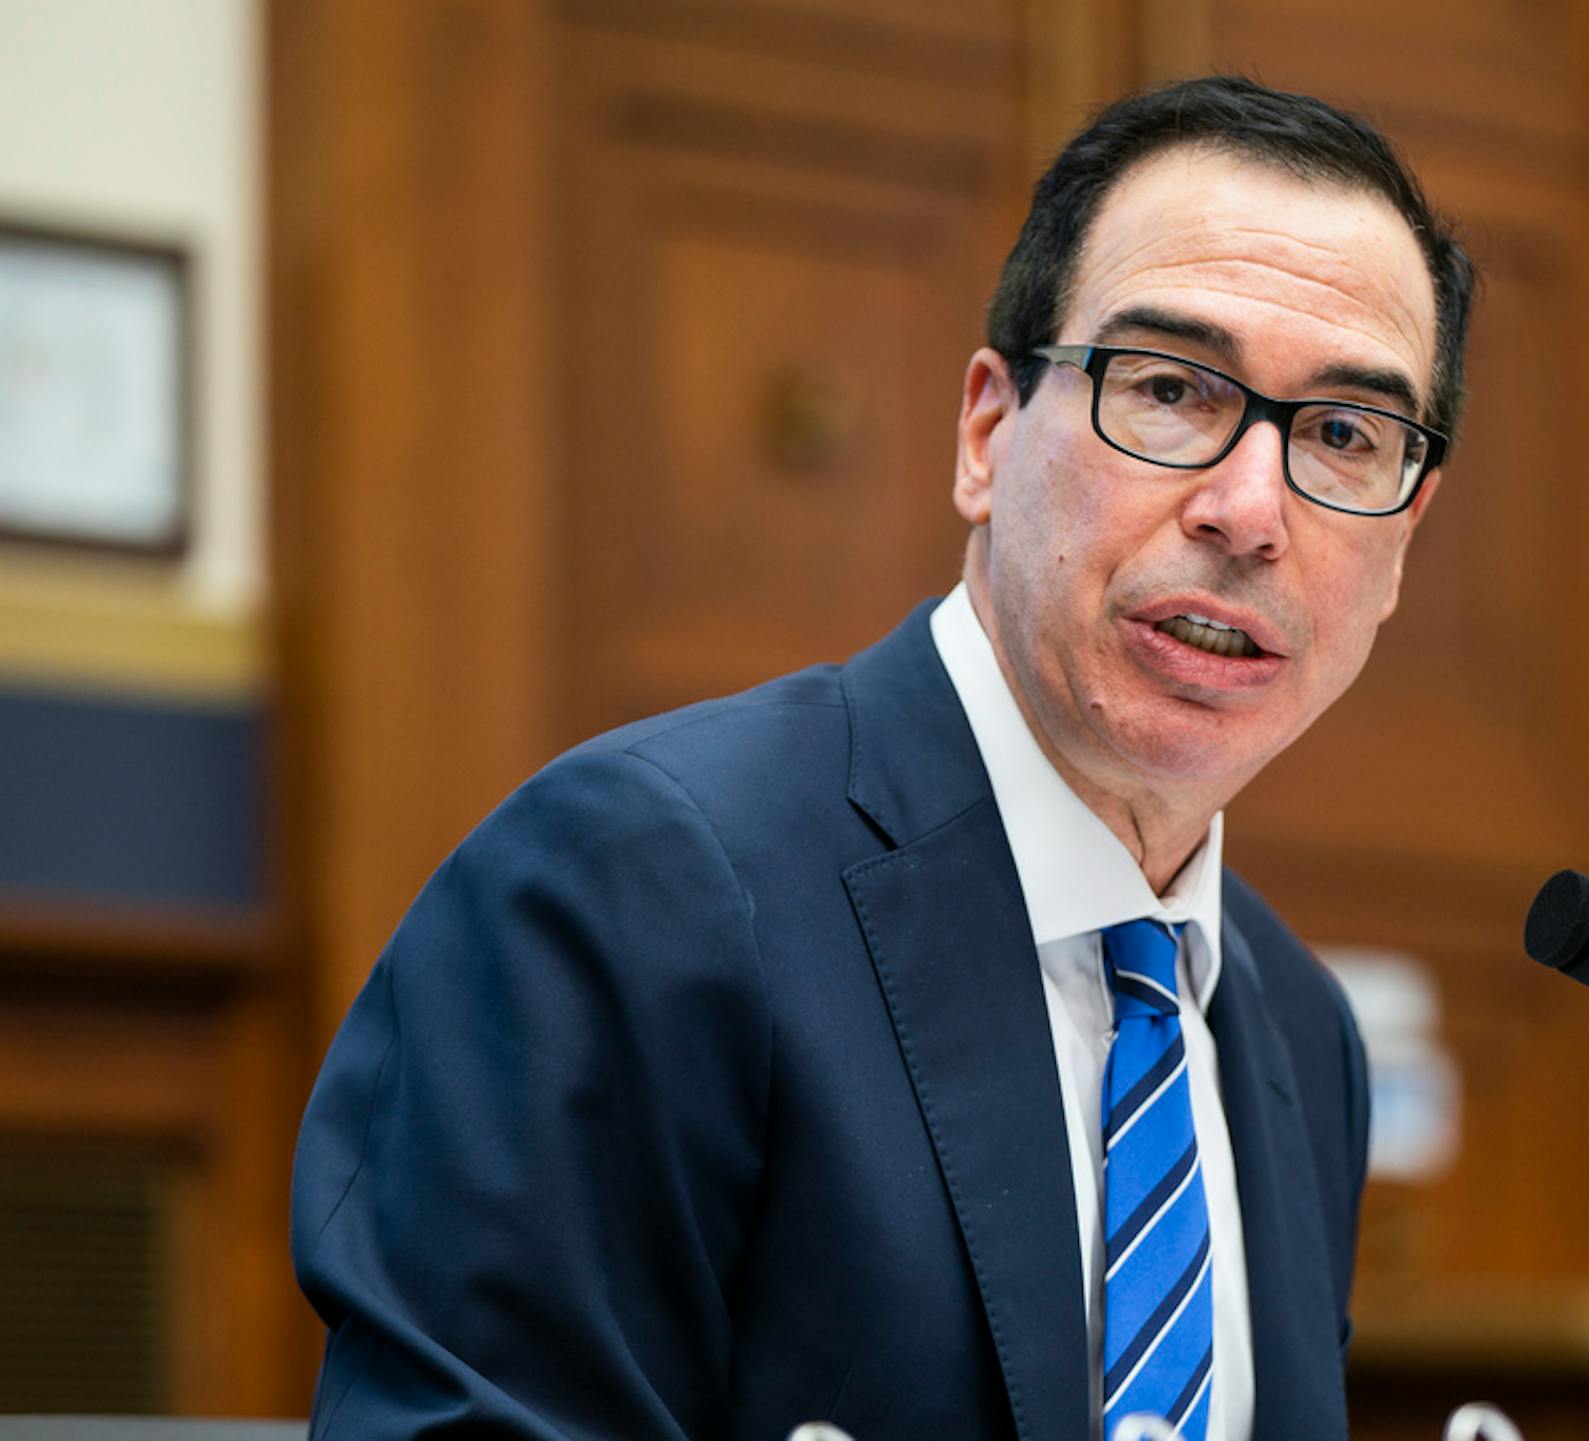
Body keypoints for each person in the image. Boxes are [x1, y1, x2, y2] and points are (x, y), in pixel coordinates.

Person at [291, 75, 1476, 1441]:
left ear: (1401, 548)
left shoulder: (1295, 1027)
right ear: (986, 434)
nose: (1249, 510)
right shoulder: (634, 886)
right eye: (1167, 389)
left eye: (1342, 434)